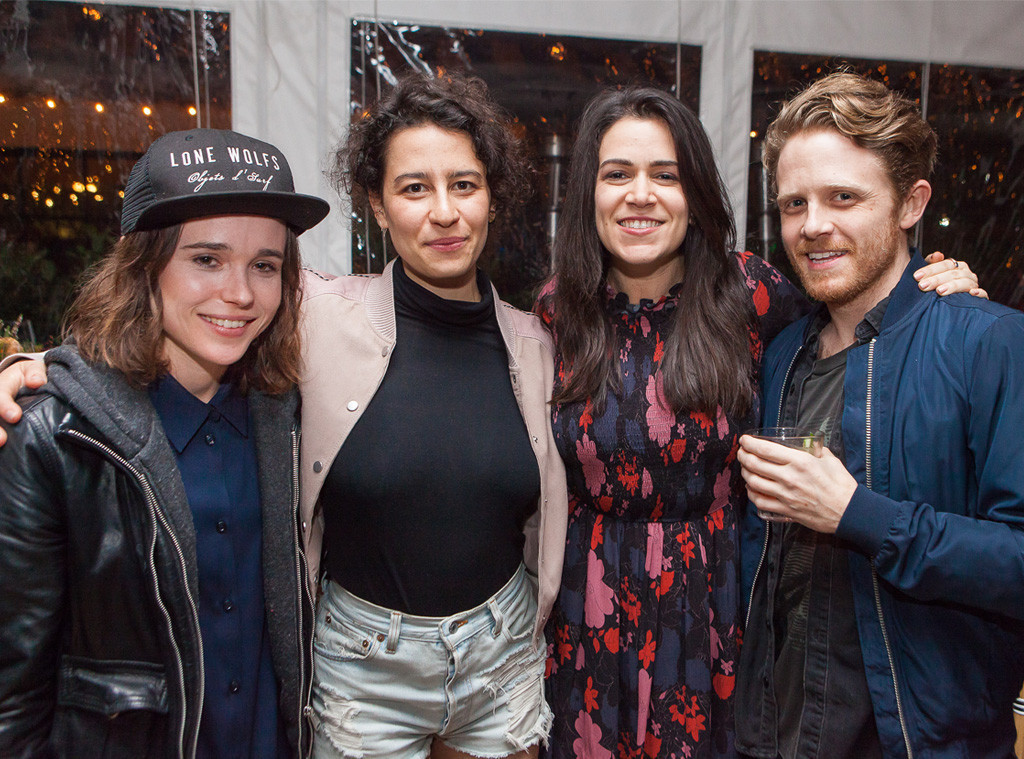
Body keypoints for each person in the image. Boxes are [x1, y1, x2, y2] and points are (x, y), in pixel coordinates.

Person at [534, 86, 982, 759]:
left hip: (718, 613)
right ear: (587, 193)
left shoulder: (751, 294)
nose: (641, 194)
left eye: (666, 174)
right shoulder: (556, 313)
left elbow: (857, 307)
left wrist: (940, 285)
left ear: (697, 193)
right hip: (585, 612)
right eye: (617, 173)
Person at [0, 128, 329, 758]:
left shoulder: (291, 423)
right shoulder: (54, 439)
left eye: (265, 265)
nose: (240, 293)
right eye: (206, 259)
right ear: (143, 262)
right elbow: (13, 697)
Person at [735, 71, 1024, 759]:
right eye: (794, 203)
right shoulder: (783, 355)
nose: (814, 225)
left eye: (844, 197)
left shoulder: (989, 342)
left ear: (910, 203)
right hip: (776, 736)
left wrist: (857, 512)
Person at [299, 74, 566, 759]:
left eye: (465, 185)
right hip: (363, 668)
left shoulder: (538, 345)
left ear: (492, 199)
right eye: (415, 188)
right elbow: (198, 319)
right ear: (379, 206)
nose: (444, 212)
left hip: (500, 657)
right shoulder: (317, 316)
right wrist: (33, 368)